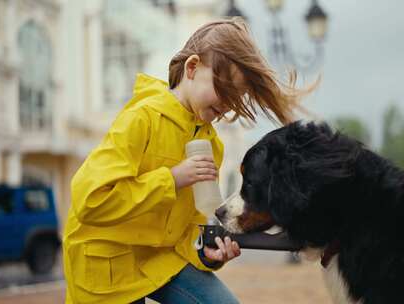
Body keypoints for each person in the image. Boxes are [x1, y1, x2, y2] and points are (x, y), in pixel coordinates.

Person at [63, 18, 313, 304]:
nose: (230, 105)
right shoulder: (141, 119)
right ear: (192, 68)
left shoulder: (212, 146)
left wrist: (206, 254)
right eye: (226, 91)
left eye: (238, 98)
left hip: (159, 260)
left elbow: (189, 230)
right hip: (106, 264)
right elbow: (89, 201)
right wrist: (171, 179)